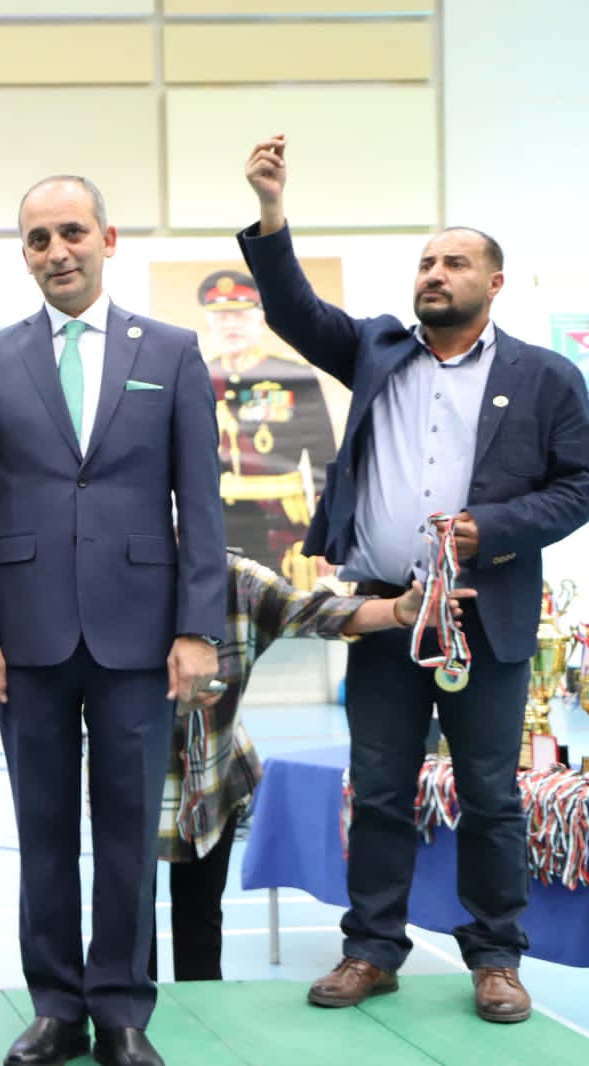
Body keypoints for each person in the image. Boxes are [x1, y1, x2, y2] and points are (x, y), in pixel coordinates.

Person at [240, 134, 589, 1023]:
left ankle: (497, 959)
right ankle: (371, 950)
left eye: (454, 262)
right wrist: (272, 211)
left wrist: (492, 530)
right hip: (388, 614)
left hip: (485, 615)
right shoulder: (377, 350)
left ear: (494, 283)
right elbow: (292, 310)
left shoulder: (546, 378)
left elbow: (580, 486)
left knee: (492, 796)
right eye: (427, 262)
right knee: (380, 790)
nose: (435, 273)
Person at [0, 175, 225, 1066]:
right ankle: (56, 1008)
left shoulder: (173, 352)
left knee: (126, 831)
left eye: (71, 232)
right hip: (23, 635)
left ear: (108, 239)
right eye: (38, 239)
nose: (56, 251)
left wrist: (198, 626)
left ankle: (120, 1010)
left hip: (139, 632)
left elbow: (201, 502)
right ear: (24, 254)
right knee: (40, 832)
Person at [150, 553, 471, 983]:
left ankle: (202, 1013)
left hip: (214, 778)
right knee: (128, 928)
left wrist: (400, 609)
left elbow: (314, 611)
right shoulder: (107, 575)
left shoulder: (236, 579)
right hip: (129, 783)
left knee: (202, 925)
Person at [198, 269, 338, 587]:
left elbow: (325, 456)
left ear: (261, 319)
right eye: (221, 317)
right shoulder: (199, 375)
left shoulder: (291, 375)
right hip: (218, 517)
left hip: (281, 517)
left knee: (284, 602)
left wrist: (328, 531)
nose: (230, 325)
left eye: (239, 315)